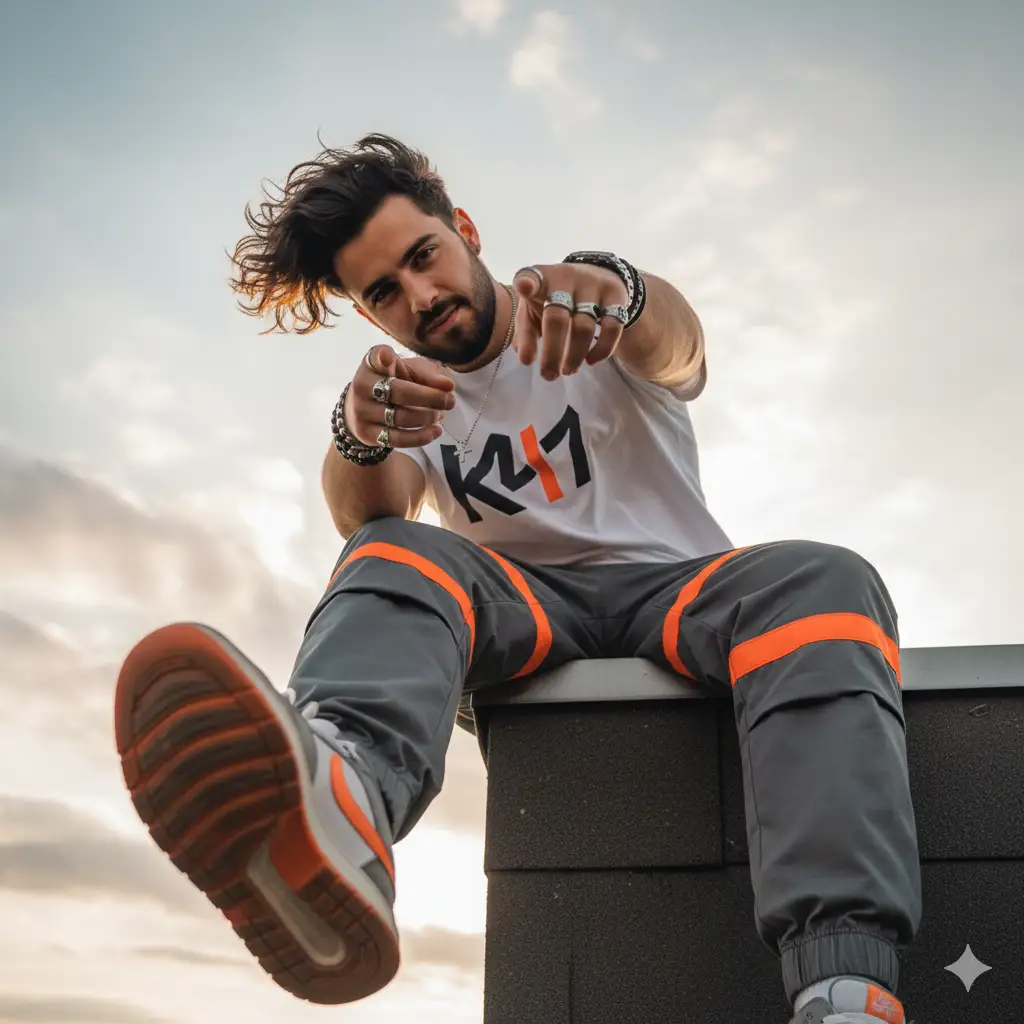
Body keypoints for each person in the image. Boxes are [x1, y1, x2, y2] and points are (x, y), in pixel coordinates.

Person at [113, 134, 922, 1023]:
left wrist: (624, 292)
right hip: (525, 618)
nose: (421, 297)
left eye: (425, 257)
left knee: (824, 579)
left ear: (464, 229)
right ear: (368, 311)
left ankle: (844, 985)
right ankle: (344, 801)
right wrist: (358, 430)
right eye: (385, 292)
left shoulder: (581, 311)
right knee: (393, 552)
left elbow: (680, 352)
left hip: (679, 590)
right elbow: (365, 521)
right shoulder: (409, 394)